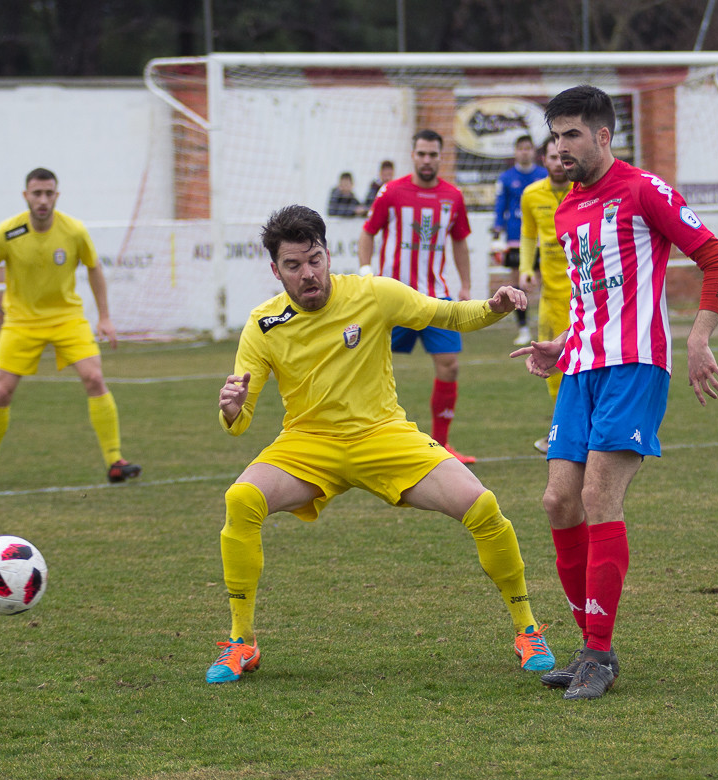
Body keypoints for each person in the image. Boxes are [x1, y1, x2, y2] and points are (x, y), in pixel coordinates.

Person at [206, 204, 554, 684]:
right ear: (275, 270)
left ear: (328, 254)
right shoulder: (263, 325)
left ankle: (527, 630)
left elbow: (447, 313)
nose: (308, 274)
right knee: (241, 498)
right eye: (293, 265)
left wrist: (493, 307)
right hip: (308, 444)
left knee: (483, 506)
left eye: (314, 260)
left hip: (383, 437)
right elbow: (240, 422)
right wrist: (230, 409)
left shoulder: (373, 294)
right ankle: (241, 641)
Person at [511, 85, 718, 700]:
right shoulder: (565, 210)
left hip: (635, 364)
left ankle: (599, 655)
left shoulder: (644, 191)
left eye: (572, 136)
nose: (560, 148)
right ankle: (590, 642)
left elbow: (717, 260)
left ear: (605, 136)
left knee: (598, 493)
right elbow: (592, 301)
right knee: (559, 502)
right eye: (555, 137)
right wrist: (560, 344)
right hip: (581, 366)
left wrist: (696, 339)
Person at [0, 167, 141, 487]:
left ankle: (115, 461)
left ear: (57, 195)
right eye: (36, 193)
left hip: (66, 318)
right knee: (2, 391)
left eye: (48, 193)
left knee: (95, 378)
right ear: (26, 196)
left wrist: (105, 317)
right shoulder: (8, 232)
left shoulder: (74, 231)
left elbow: (95, 268)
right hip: (20, 321)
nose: (42, 200)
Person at [358, 130, 478, 464]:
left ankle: (440, 445)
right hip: (391, 298)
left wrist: (465, 284)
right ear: (413, 155)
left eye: (433, 154)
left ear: (441, 157)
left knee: (449, 365)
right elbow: (368, 232)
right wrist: (366, 270)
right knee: (368, 367)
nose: (427, 160)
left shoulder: (453, 197)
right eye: (421, 154)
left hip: (434, 297)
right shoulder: (391, 192)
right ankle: (365, 440)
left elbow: (459, 241)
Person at [518, 138, 572, 453]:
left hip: (586, 298)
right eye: (553, 157)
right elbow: (528, 234)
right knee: (551, 365)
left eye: (563, 156)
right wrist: (526, 267)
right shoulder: (531, 194)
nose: (559, 162)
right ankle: (561, 430)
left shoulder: (583, 191)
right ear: (543, 159)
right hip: (551, 298)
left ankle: (583, 429)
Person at [493, 134, 548, 346]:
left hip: (542, 238)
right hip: (516, 237)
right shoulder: (506, 178)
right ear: (516, 151)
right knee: (518, 284)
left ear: (534, 151)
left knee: (547, 282)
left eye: (528, 148)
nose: (525, 152)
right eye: (521, 148)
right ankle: (523, 329)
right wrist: (497, 230)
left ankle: (547, 324)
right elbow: (500, 206)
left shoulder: (544, 175)